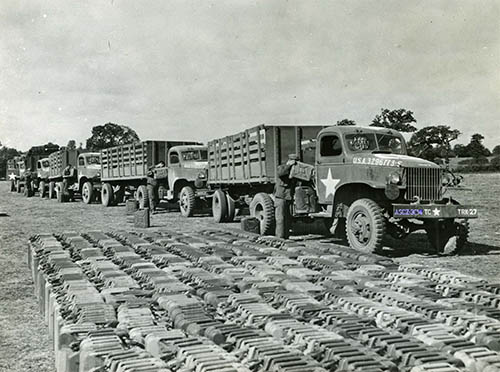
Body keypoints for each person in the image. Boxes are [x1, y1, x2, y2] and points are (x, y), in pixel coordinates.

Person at [274, 154, 298, 239]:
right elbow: (281, 173)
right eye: (294, 161)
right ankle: (280, 237)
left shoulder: (294, 171)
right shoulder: (282, 168)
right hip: (280, 197)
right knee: (280, 218)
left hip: (288, 197)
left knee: (288, 218)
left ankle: (286, 236)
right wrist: (289, 165)